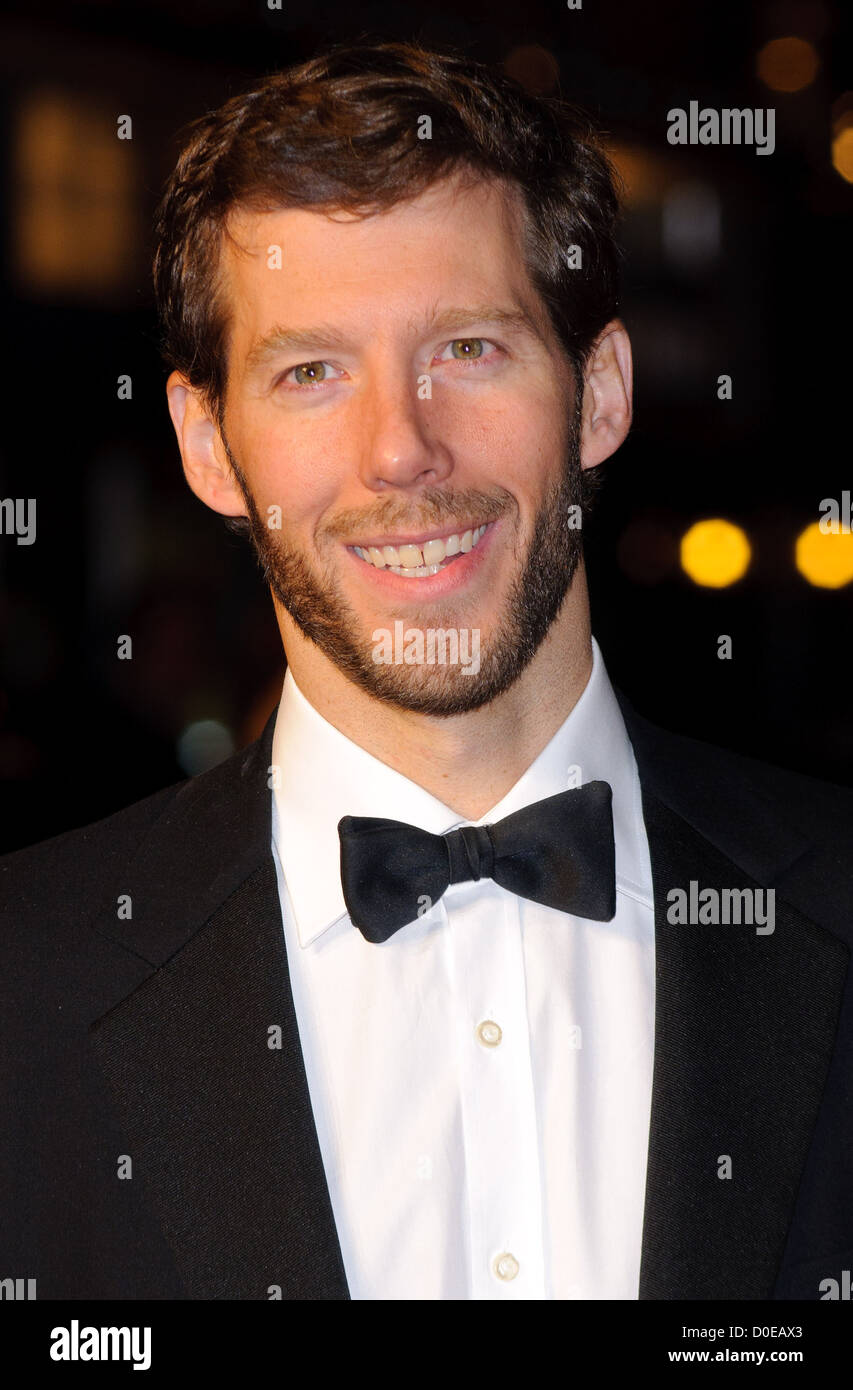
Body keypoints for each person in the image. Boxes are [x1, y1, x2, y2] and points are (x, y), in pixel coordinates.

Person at [2, 39, 852, 1303]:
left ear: (600, 393)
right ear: (208, 446)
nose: (401, 448)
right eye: (309, 372)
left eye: (469, 347)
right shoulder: (29, 980)